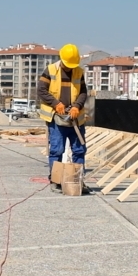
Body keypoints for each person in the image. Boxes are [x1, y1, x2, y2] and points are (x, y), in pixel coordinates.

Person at [37, 43, 92, 194]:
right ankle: (55, 180)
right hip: (57, 118)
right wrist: (55, 104)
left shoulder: (78, 71)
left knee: (79, 150)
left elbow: (82, 92)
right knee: (57, 149)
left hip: (75, 118)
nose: (69, 68)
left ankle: (77, 180)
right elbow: (41, 90)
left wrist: (76, 106)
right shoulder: (51, 70)